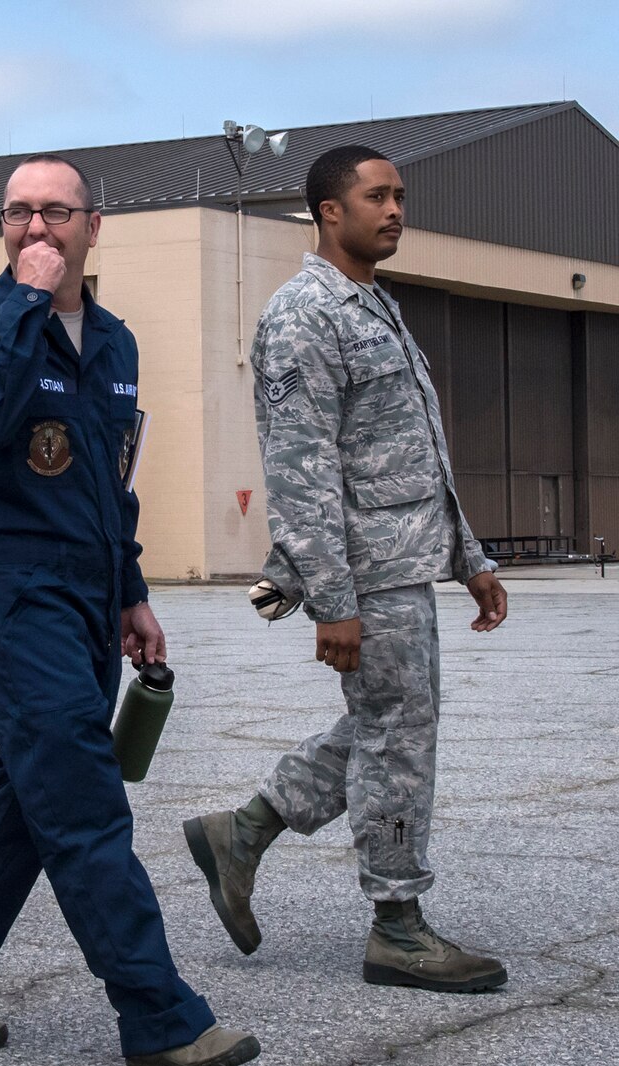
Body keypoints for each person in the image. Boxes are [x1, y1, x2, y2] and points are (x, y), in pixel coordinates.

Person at [0, 154, 259, 1066]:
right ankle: (159, 1015)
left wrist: (131, 590)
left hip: (88, 594)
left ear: (94, 226)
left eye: (55, 214)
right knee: (80, 796)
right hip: (15, 590)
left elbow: (113, 481)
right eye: (19, 215)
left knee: (27, 789)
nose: (36, 230)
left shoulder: (115, 342)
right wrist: (25, 304)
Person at [182, 146, 509, 992]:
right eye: (378, 196)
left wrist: (469, 556)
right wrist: (332, 599)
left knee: (386, 724)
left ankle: (243, 832)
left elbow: (417, 454)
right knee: (398, 734)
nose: (396, 209)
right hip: (365, 576)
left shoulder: (375, 307)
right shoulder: (302, 316)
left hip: (406, 563)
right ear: (330, 210)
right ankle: (397, 923)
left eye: (401, 195)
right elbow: (301, 469)